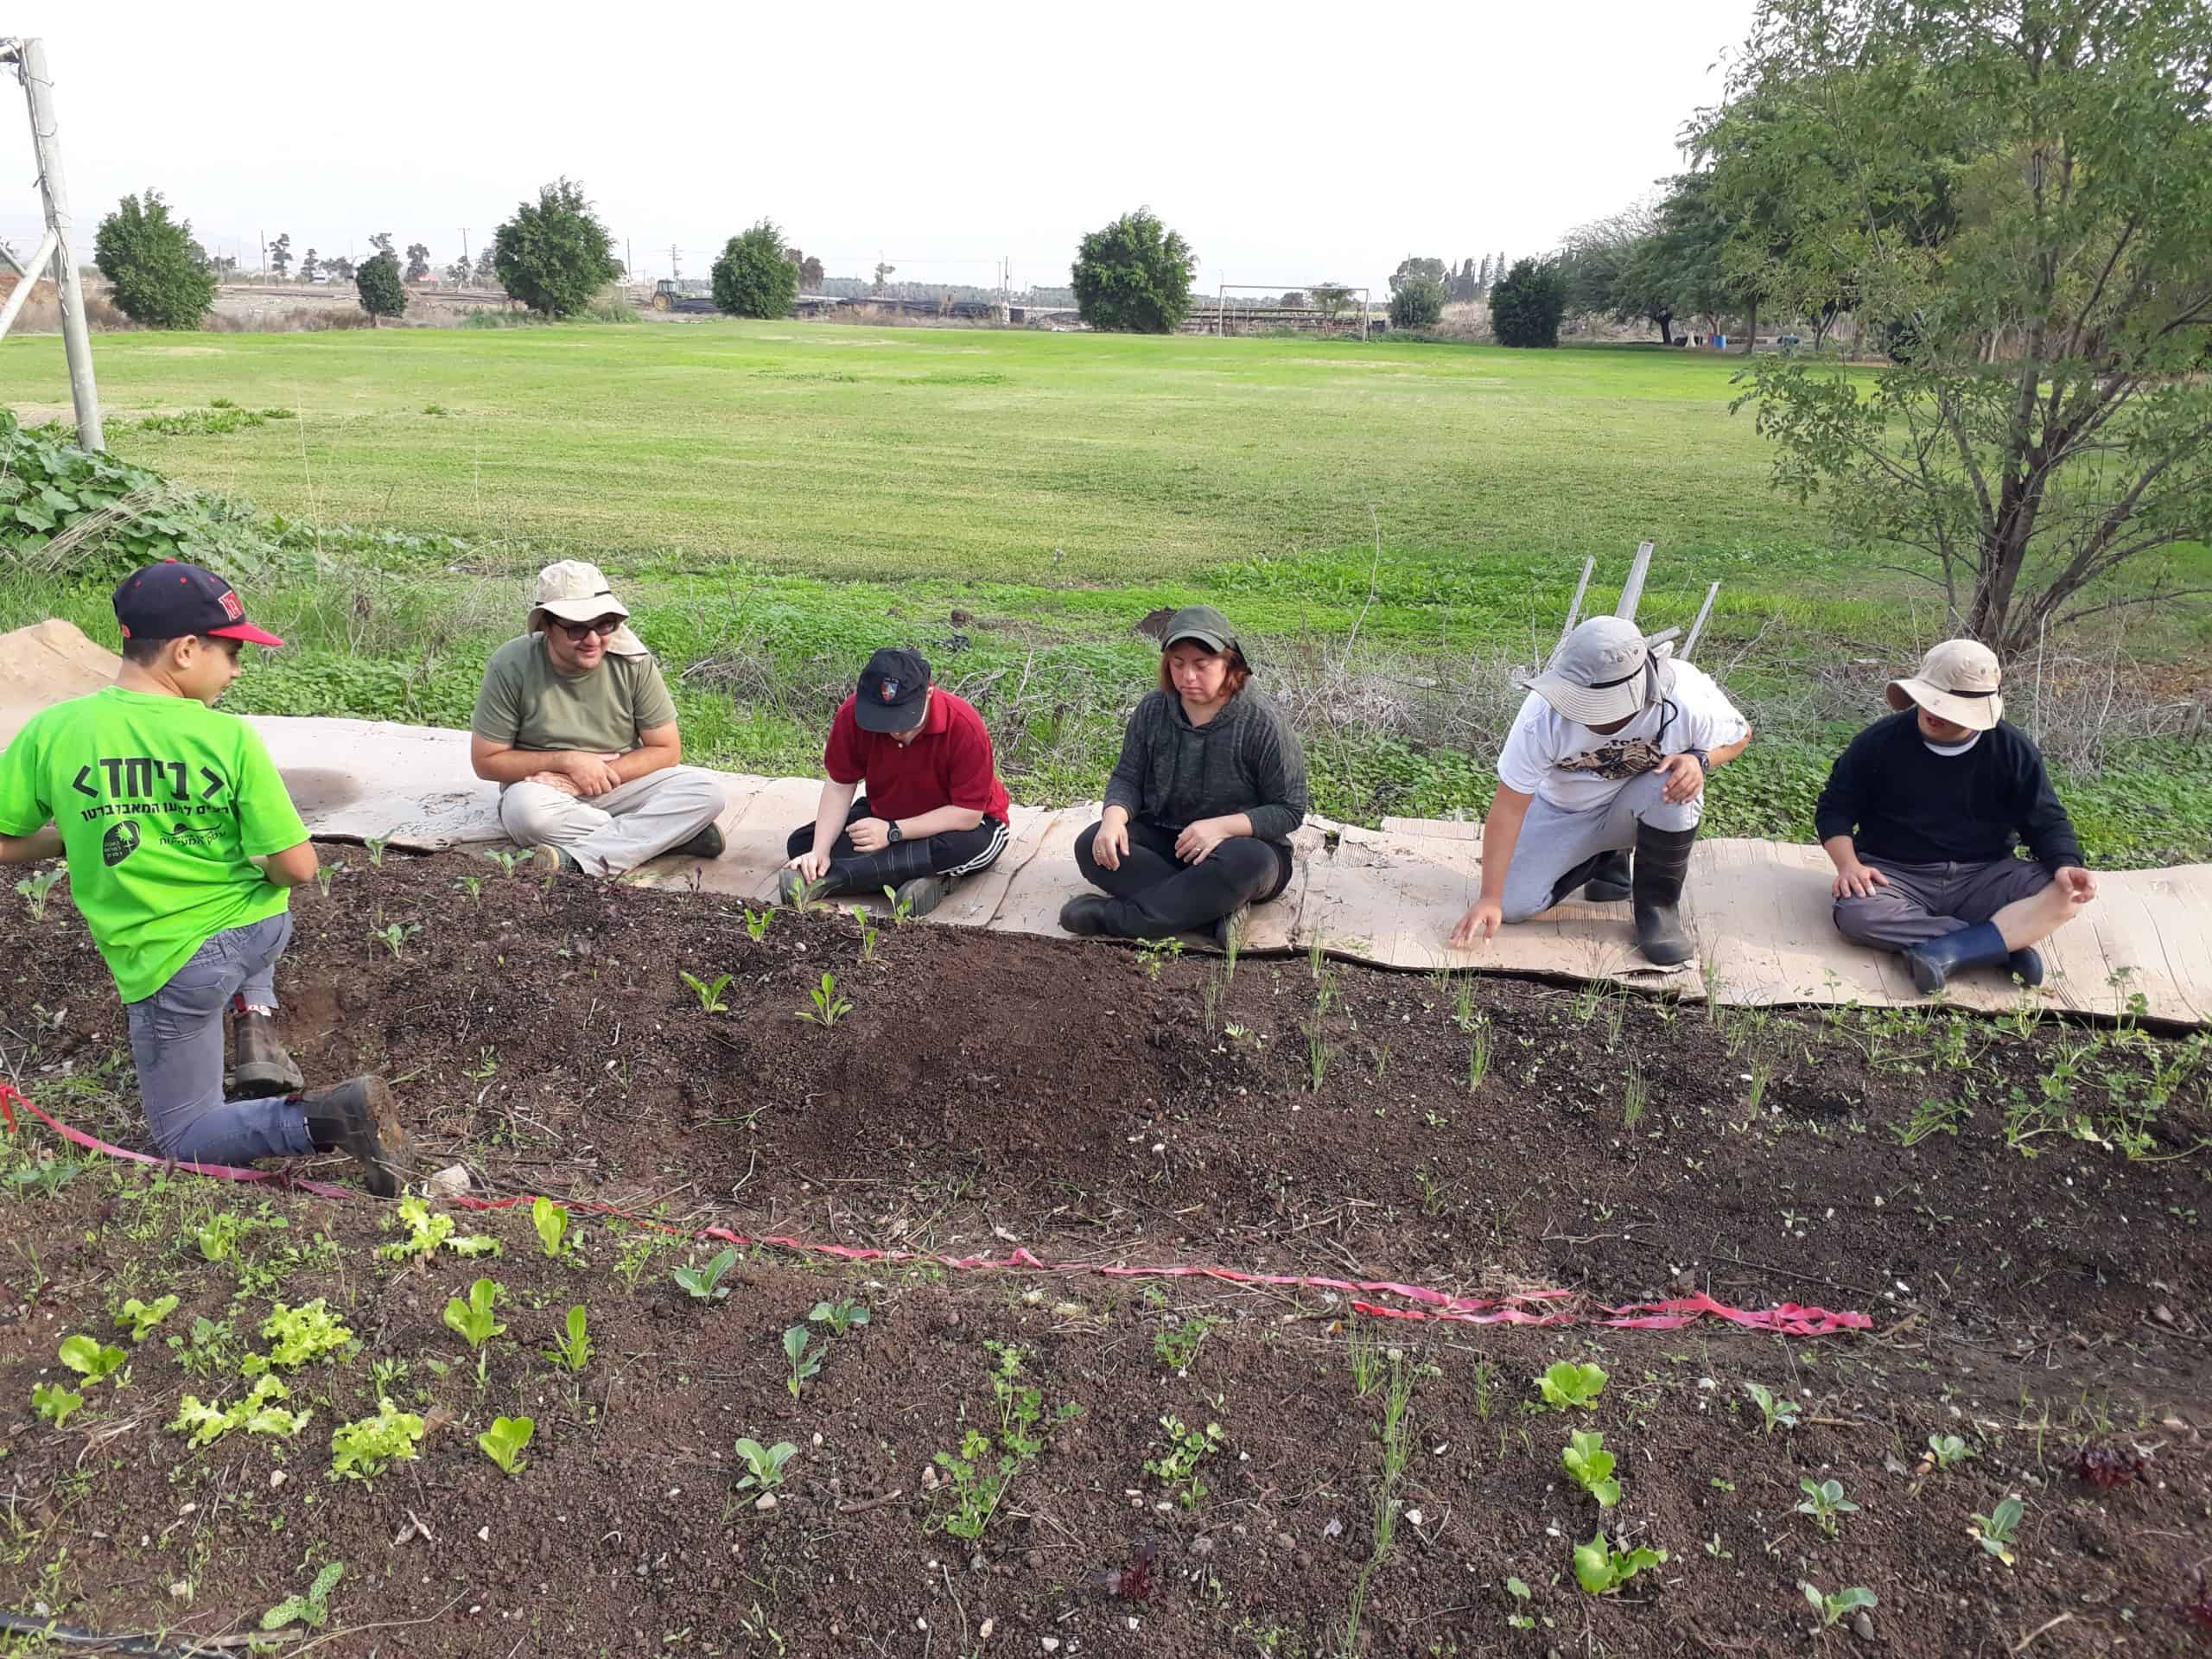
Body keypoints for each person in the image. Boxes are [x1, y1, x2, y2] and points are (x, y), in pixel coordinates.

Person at [0, 561, 405, 1193]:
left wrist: (78, 832)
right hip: (259, 930)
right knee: (248, 918)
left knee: (183, 1135)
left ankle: (333, 1118)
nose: (238, 669)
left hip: (176, 960)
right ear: (187, 650)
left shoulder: (54, 731)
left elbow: (6, 839)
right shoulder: (227, 738)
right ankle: (255, 1013)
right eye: (233, 651)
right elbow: (298, 866)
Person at [1450, 615, 1751, 965]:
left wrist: (1700, 759)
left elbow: (1740, 735)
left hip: (1640, 802)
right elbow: (1508, 807)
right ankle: (1607, 858)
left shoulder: (1684, 698)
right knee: (1513, 904)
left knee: (1674, 787)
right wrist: (1489, 897)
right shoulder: (1542, 716)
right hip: (1565, 811)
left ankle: (1658, 911)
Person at [1816, 639, 2094, 992]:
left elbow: (2046, 819)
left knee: (2064, 893)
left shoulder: (2011, 749)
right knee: (1857, 914)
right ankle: (1998, 946)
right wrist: (1848, 866)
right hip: (1896, 875)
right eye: (1929, 700)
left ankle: (1951, 949)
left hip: (1985, 876)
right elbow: (1834, 808)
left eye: (1947, 707)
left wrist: (2065, 864)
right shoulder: (1880, 742)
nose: (1932, 712)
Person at [1059, 606, 1308, 944]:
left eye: (1201, 665)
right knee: (1093, 844)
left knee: (1244, 864)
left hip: (1238, 849)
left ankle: (1121, 918)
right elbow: (1128, 777)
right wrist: (1114, 819)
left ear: (1229, 663)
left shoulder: (1260, 721)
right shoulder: (1153, 710)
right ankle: (1210, 914)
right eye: (1178, 664)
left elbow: (1289, 808)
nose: (1187, 676)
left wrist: (1220, 827)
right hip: (1166, 840)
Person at [469, 561, 727, 877]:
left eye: (605, 624)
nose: (592, 639)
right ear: (546, 626)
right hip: (545, 789)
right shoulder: (510, 663)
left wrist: (599, 773)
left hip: (621, 782)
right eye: (577, 628)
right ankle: (665, 838)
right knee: (525, 814)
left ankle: (579, 860)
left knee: (707, 791)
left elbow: (667, 750)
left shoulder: (634, 662)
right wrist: (568, 762)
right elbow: (486, 761)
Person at [780, 647, 1010, 918]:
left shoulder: (963, 725)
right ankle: (914, 876)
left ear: (928, 694)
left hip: (961, 824)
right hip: (887, 811)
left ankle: (830, 879)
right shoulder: (851, 714)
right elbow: (840, 785)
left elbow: (968, 815)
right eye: (883, 719)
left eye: (904, 718)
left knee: (962, 848)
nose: (895, 730)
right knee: (802, 843)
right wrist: (819, 852)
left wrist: (892, 832)